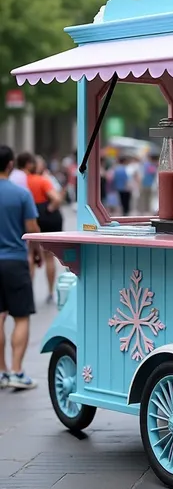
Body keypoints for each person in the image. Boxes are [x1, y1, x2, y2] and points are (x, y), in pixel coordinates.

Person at [0, 146, 41, 390]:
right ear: (10, 165)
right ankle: (17, 371)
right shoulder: (21, 194)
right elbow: (32, 230)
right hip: (15, 261)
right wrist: (36, 254)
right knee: (21, 317)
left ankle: (2, 372)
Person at [20, 153, 63, 303]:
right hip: (48, 219)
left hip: (31, 219)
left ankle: (28, 292)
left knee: (31, 254)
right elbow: (57, 198)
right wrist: (50, 209)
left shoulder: (23, 181)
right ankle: (51, 292)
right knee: (49, 256)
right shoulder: (43, 180)